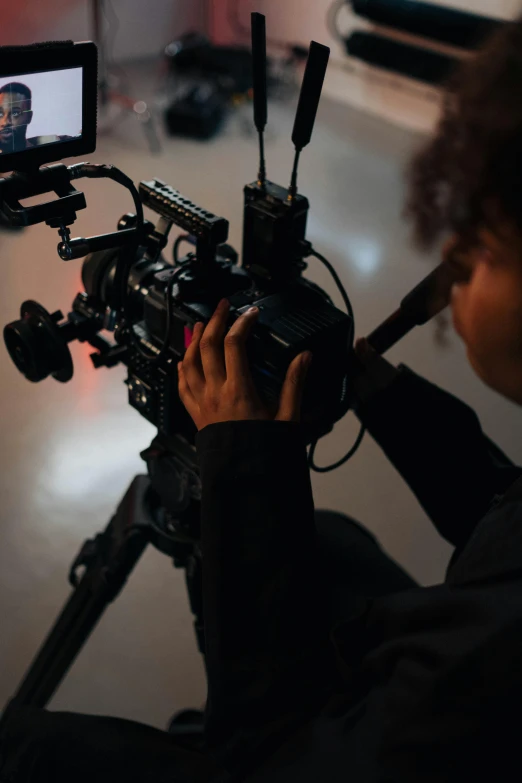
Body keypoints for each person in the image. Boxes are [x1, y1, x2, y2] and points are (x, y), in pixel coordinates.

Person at [2, 15, 522, 783]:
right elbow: (501, 507)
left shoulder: (493, 661)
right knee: (330, 537)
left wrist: (243, 459)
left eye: (482, 240)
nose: (450, 255)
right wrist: (370, 383)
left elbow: (274, 756)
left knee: (22, 753)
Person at [0, 81, 74, 155]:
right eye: (0, 114)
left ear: (29, 117)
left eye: (15, 113)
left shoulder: (52, 143)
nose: (5, 122)